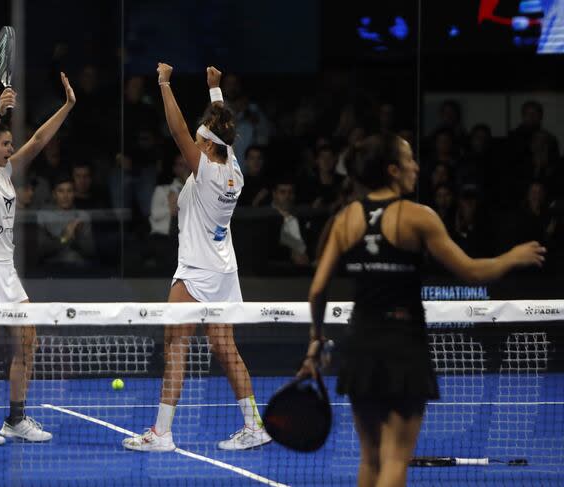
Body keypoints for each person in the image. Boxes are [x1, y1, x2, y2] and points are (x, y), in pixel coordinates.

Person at [297, 134, 545, 487]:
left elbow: (318, 289)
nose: (416, 166)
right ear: (393, 169)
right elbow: (472, 272)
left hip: (361, 345)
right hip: (403, 347)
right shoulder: (419, 217)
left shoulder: (345, 218)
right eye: (410, 159)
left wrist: (316, 339)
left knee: (370, 459)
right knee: (397, 459)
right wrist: (513, 257)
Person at [123, 64, 271, 452]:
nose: (195, 141)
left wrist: (164, 83)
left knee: (175, 346)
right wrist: (215, 89)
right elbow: (221, 127)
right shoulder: (234, 169)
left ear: (205, 145)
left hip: (195, 272)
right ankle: (255, 426)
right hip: (225, 271)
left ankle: (162, 433)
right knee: (225, 349)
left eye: (199, 138)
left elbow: (176, 131)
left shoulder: (205, 170)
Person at [0, 73, 76, 446]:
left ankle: (15, 419)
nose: (10, 148)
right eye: (5, 144)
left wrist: (68, 106)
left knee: (27, 339)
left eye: (10, 144)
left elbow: (39, 141)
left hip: (5, 270)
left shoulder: (6, 173)